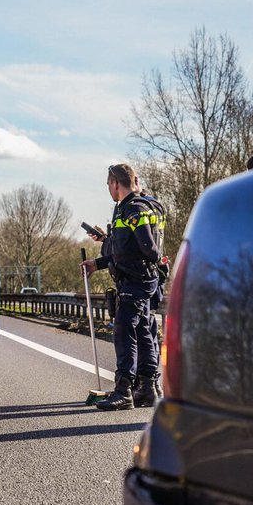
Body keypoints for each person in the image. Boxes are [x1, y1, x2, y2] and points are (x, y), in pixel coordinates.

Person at [82, 163, 166, 410]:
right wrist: (99, 259)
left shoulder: (133, 209)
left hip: (136, 280)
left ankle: (124, 390)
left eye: (108, 184)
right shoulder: (140, 206)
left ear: (115, 184)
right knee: (143, 330)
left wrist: (155, 260)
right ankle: (147, 389)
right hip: (140, 278)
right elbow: (124, 249)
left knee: (124, 330)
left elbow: (147, 248)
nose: (109, 189)